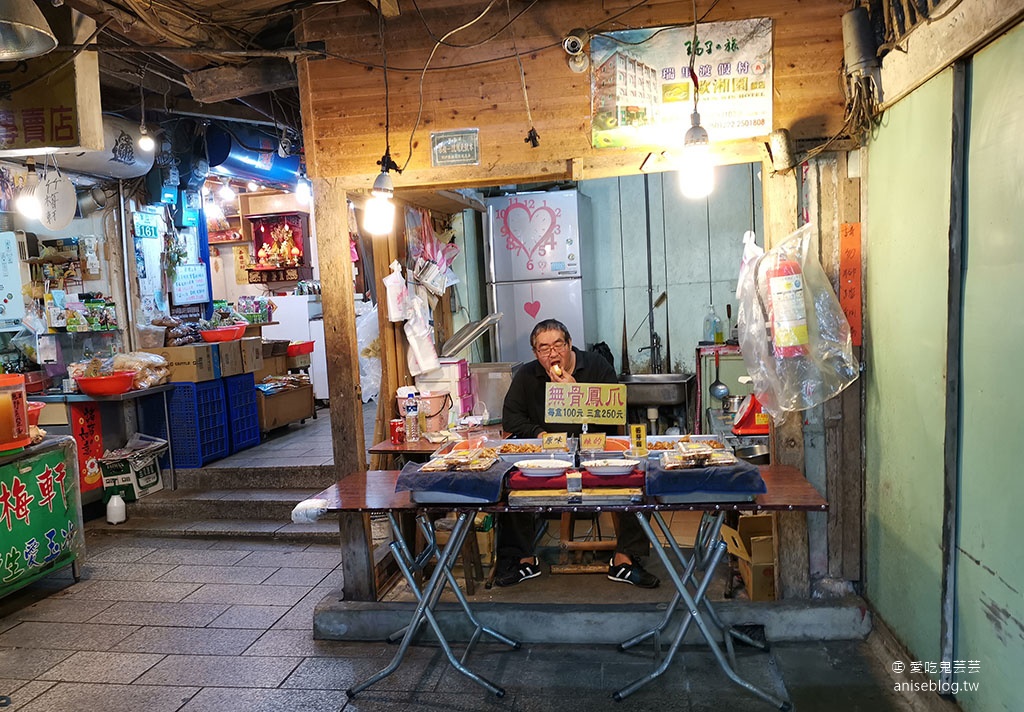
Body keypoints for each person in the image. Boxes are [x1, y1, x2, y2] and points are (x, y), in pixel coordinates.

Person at [494, 318, 660, 589]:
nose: (552, 353)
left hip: (596, 452)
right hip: (546, 455)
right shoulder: (527, 375)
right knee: (510, 479)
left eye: (558, 345)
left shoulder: (595, 366)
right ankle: (524, 559)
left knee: (640, 479)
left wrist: (577, 394)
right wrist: (541, 434)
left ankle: (624, 560)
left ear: (570, 344)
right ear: (536, 353)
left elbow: (616, 414)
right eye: (543, 348)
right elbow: (512, 418)